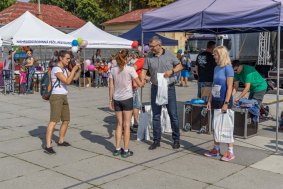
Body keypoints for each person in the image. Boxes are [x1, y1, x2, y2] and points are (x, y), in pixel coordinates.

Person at [140, 36, 183, 150]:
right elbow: (144, 70)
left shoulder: (169, 54)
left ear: (159, 45)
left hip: (169, 88)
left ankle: (176, 140)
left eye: (153, 46)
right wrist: (142, 79)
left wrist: (172, 71)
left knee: (173, 115)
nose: (151, 48)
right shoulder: (149, 56)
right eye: (150, 46)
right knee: (156, 115)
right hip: (155, 88)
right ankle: (156, 140)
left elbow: (180, 66)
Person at [109, 49, 144, 158]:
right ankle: (126, 150)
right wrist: (143, 80)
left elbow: (111, 86)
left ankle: (117, 148)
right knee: (126, 125)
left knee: (119, 124)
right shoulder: (130, 69)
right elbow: (139, 84)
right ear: (127, 57)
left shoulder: (113, 70)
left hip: (117, 98)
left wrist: (110, 100)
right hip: (127, 98)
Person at [44, 50, 81, 154]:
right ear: (61, 58)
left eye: (69, 59)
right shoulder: (56, 69)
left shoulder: (64, 69)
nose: (69, 61)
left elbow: (73, 78)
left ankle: (61, 140)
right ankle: (48, 145)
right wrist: (73, 69)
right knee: (53, 121)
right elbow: (67, 81)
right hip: (56, 96)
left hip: (64, 96)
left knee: (66, 120)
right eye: (67, 59)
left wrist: (78, 70)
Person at [204, 46, 235, 161]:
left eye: (215, 54)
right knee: (216, 125)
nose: (213, 56)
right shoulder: (216, 68)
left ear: (221, 55)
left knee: (227, 126)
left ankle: (230, 152)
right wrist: (209, 100)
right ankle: (216, 149)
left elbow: (230, 87)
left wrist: (226, 103)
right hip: (215, 100)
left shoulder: (228, 68)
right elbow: (214, 85)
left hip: (224, 101)